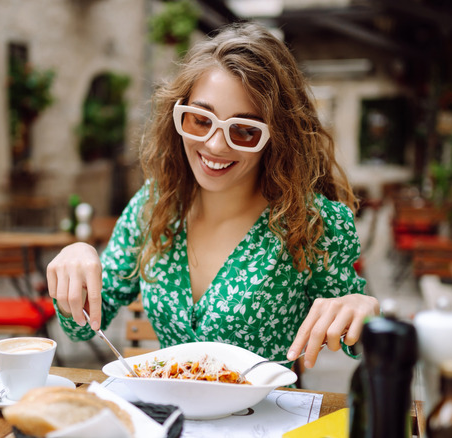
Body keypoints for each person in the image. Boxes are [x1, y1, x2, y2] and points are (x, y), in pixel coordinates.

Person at [46, 21, 379, 369]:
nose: (215, 145)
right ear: (178, 116)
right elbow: (81, 327)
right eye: (200, 120)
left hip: (264, 420)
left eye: (245, 130)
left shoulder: (311, 224)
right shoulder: (154, 205)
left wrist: (365, 311)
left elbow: (358, 341)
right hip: (168, 419)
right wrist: (77, 257)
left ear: (277, 138)